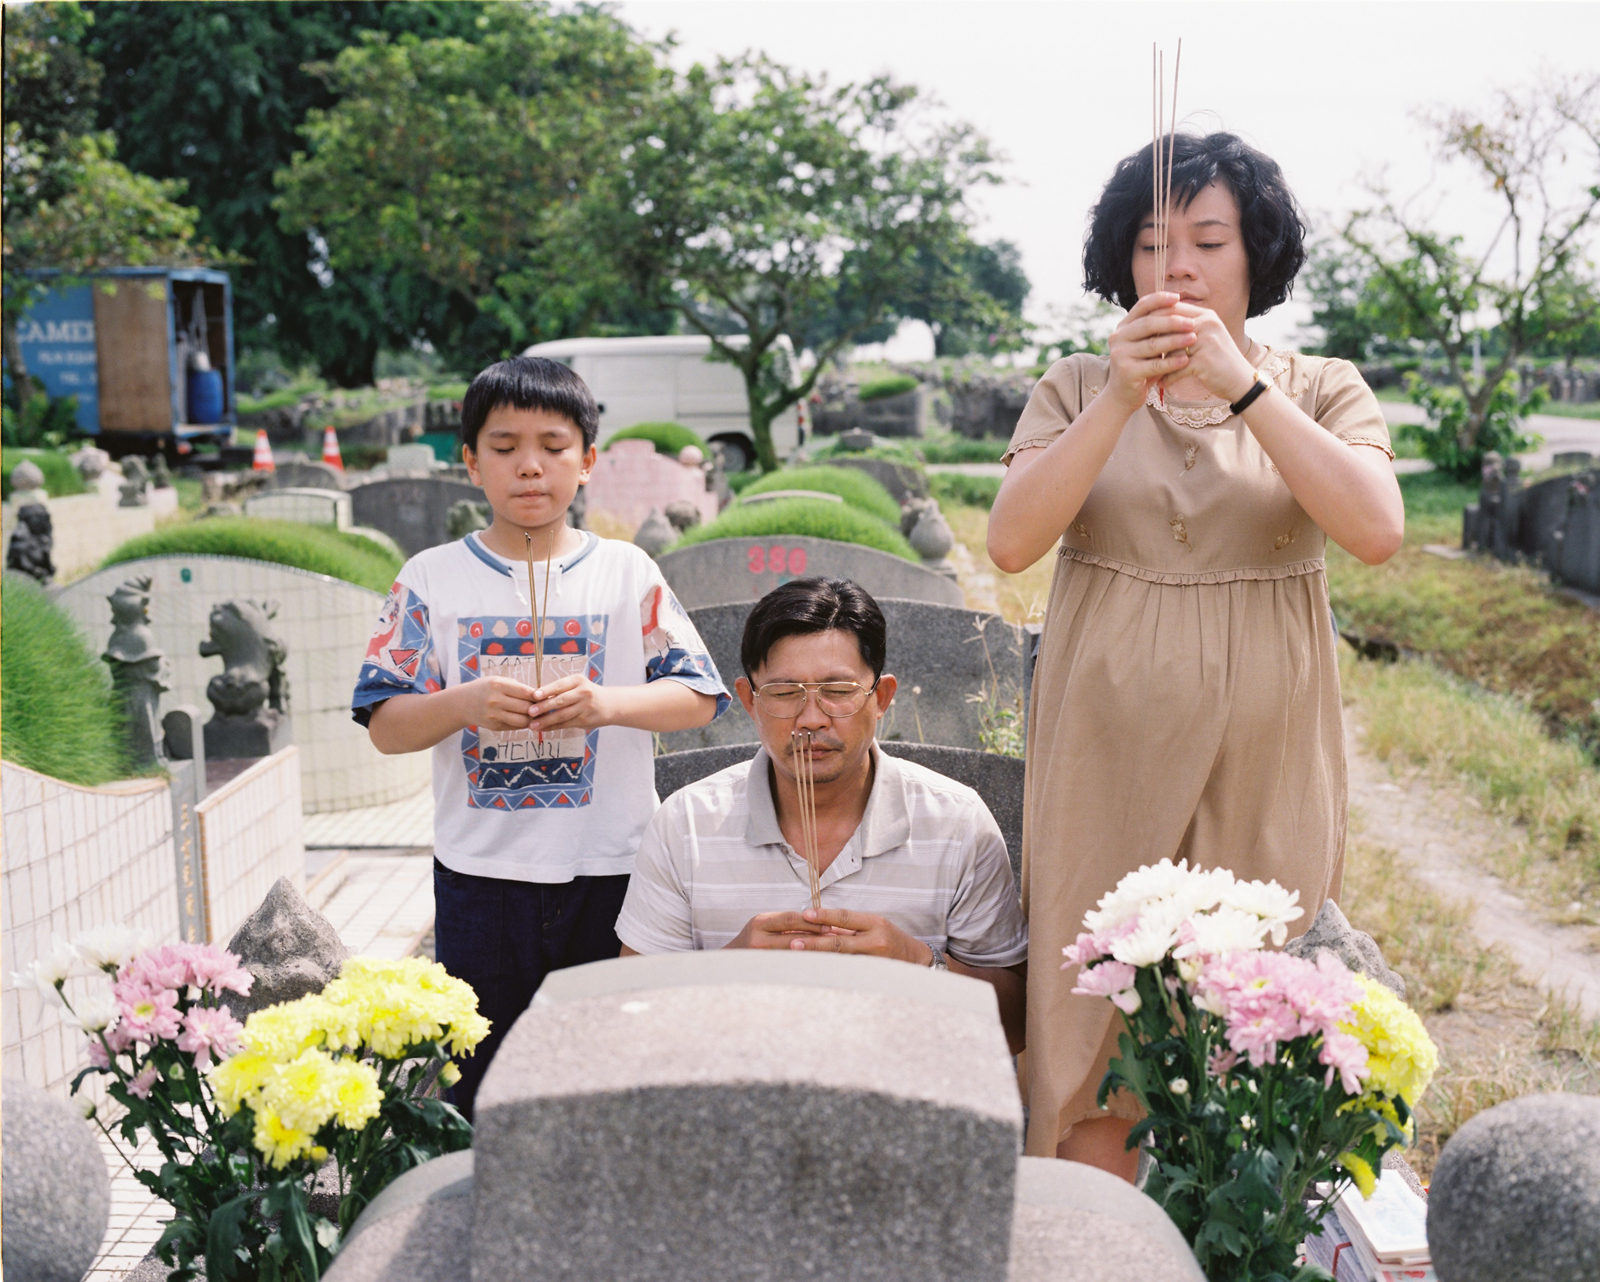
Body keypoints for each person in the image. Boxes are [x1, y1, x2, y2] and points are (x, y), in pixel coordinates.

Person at [985, 132, 1404, 1177]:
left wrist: (1244, 389)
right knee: (1090, 1003)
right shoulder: (1079, 381)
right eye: (1148, 243)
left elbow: (1374, 528)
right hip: (1101, 746)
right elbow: (1010, 540)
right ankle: (1090, 1236)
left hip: (1265, 744)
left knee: (1251, 995)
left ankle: (1239, 1230)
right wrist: (1121, 398)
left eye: (1205, 241)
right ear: (1117, 262)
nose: (1174, 267)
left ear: (1253, 254)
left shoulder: (1321, 385)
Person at [351, 356, 729, 1118]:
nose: (530, 466)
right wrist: (466, 702)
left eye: (554, 446)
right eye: (504, 445)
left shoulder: (627, 571)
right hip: (480, 880)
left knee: (608, 1081)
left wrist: (604, 704)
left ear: (587, 461)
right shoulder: (429, 578)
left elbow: (698, 697)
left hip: (615, 872)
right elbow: (386, 726)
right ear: (469, 461)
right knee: (483, 1088)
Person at [615, 577, 1028, 1051]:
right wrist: (726, 969)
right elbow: (633, 1013)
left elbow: (1018, 1025)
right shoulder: (684, 825)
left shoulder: (956, 824)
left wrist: (919, 963)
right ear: (749, 701)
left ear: (882, 697)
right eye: (785, 693)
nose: (812, 718)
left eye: (837, 690)